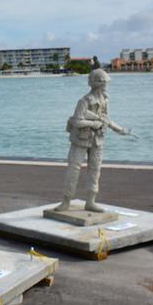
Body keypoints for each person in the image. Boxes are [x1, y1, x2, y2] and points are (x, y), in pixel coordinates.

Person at [54, 69, 130, 212]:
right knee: (74, 169)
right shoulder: (84, 101)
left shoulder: (105, 99)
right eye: (103, 82)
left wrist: (119, 129)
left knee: (95, 170)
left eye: (105, 82)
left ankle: (91, 202)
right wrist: (93, 124)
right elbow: (77, 121)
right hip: (81, 139)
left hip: (97, 140)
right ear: (96, 83)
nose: (106, 84)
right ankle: (66, 201)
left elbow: (106, 119)